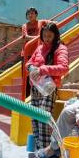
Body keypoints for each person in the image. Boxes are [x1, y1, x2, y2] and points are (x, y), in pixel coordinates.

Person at [26, 22, 69, 150]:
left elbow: (64, 68)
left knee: (43, 120)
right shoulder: (39, 48)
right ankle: (40, 151)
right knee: (34, 119)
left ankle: (46, 154)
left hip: (49, 88)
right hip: (35, 88)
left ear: (55, 35)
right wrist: (30, 67)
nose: (46, 38)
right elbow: (28, 63)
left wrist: (43, 69)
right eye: (44, 35)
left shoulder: (60, 48)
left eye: (49, 36)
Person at [21, 7, 51, 98]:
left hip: (38, 54)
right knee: (25, 77)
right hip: (26, 54)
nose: (30, 15)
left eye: (32, 13)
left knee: (37, 75)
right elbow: (25, 37)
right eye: (28, 14)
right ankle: (26, 98)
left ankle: (36, 96)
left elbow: (52, 24)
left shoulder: (41, 22)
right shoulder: (25, 25)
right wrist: (39, 37)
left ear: (36, 15)